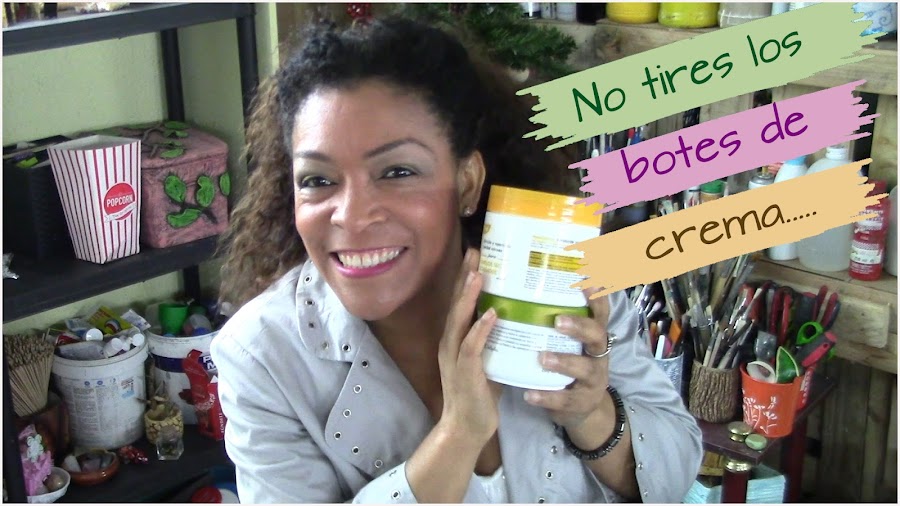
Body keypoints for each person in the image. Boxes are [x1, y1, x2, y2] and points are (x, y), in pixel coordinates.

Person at [211, 16, 702, 504]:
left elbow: (677, 472)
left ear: (467, 182)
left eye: (397, 171)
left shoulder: (554, 281)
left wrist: (592, 417)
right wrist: (459, 433)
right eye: (318, 180)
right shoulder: (262, 356)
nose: (352, 217)